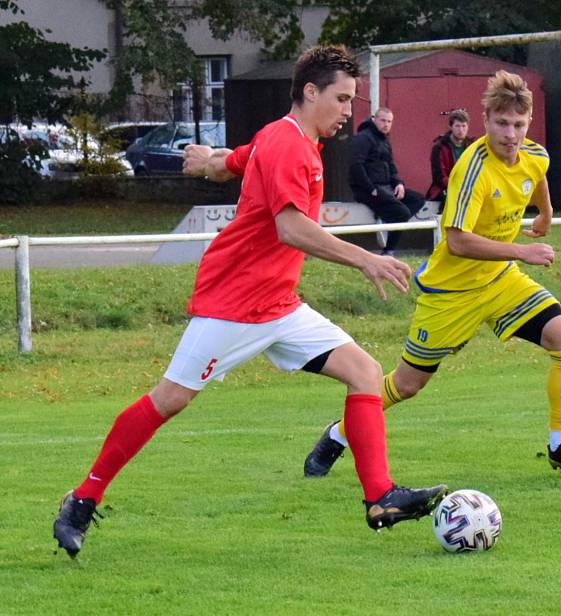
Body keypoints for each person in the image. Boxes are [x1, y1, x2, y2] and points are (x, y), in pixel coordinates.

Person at [52, 45, 447, 559]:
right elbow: (290, 228)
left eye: (352, 101)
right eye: (343, 99)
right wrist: (365, 259)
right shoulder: (288, 145)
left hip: (278, 305)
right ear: (310, 92)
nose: (349, 112)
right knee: (169, 400)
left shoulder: (284, 137)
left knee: (366, 373)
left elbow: (233, 162)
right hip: (233, 303)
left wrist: (206, 162)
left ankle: (379, 497)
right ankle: (82, 500)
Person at [304, 70, 561, 479]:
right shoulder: (472, 169)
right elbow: (458, 241)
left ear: (528, 123)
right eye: (501, 124)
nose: (510, 134)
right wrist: (522, 250)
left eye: (518, 125)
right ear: (486, 121)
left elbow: (537, 176)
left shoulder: (535, 154)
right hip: (452, 292)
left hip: (500, 281)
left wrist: (546, 213)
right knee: (407, 385)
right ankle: (338, 434)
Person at [349, 107, 425, 255]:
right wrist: (371, 188)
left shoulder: (384, 140)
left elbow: (391, 166)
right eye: (383, 120)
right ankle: (388, 251)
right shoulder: (363, 138)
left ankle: (389, 218)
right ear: (374, 119)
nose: (386, 124)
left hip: (386, 187)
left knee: (418, 199)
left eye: (389, 121)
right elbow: (355, 167)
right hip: (367, 189)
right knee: (401, 213)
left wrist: (399, 183)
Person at [425, 109, 474, 205]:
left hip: (469, 186)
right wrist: (458, 186)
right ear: (450, 127)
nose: (461, 130)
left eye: (464, 126)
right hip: (446, 187)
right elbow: (438, 177)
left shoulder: (472, 146)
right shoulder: (439, 147)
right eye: (457, 126)